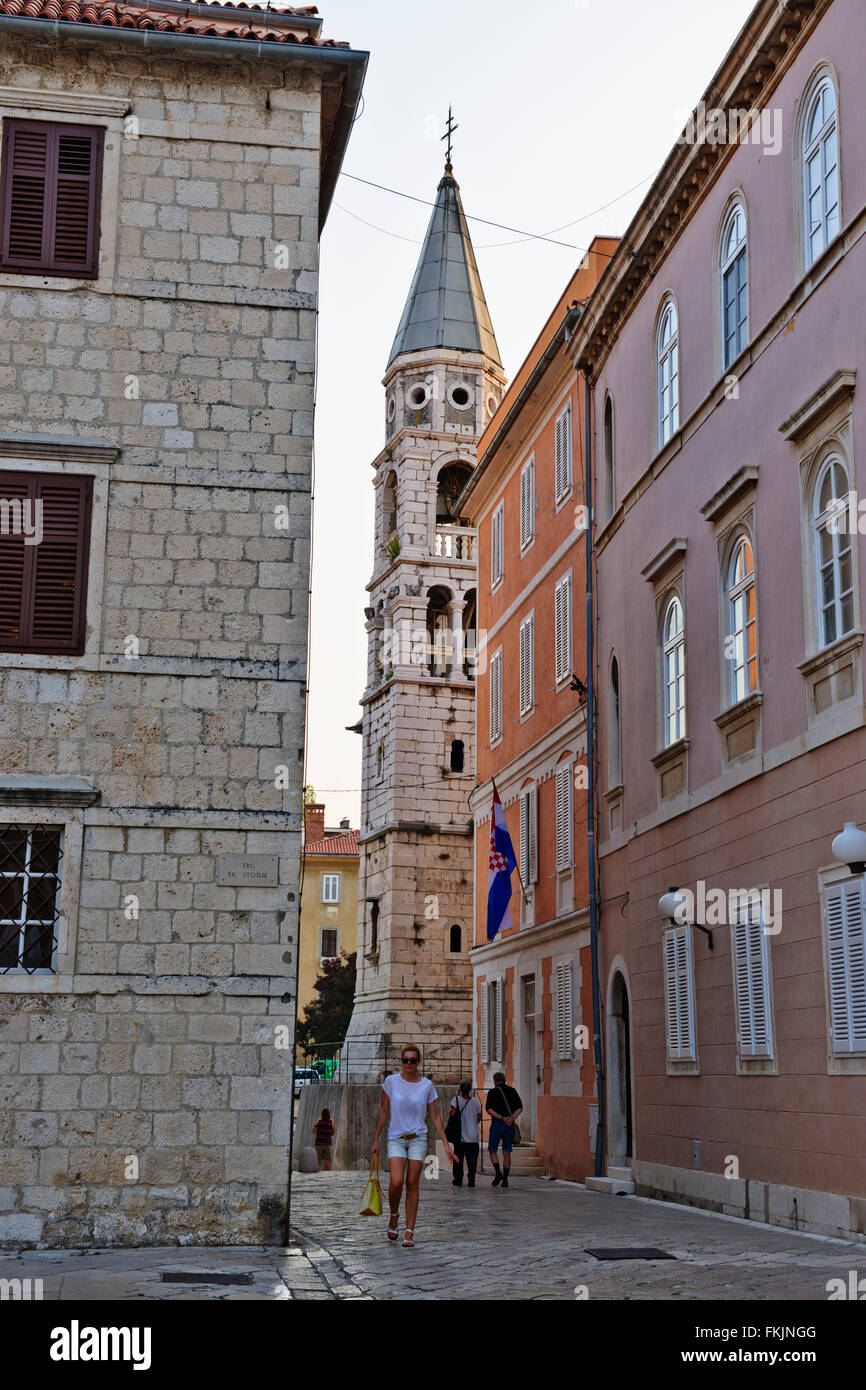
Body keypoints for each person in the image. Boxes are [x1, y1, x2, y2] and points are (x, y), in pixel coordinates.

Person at [371, 1044, 455, 1247]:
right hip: (396, 1139)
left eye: (413, 1060)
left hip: (418, 1138)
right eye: (405, 1060)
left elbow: (434, 1116)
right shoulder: (391, 1082)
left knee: (412, 1183)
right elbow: (384, 1111)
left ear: (418, 1062)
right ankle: (393, 1214)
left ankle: (409, 1231)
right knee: (397, 1180)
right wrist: (375, 1139)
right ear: (402, 1061)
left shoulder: (426, 1085)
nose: (409, 1064)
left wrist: (445, 1143)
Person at [485, 1071, 523, 1188]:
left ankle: (498, 1173)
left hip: (497, 1123)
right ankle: (505, 1179)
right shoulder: (512, 1091)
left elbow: (489, 1110)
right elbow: (520, 1108)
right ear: (505, 1080)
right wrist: (511, 1118)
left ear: (495, 1081)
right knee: (507, 1151)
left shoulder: (492, 1092)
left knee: (492, 1150)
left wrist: (502, 1118)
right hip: (509, 1125)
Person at [448, 1080, 481, 1188]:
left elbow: (452, 1115)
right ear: (470, 1089)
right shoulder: (475, 1102)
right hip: (473, 1136)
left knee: (458, 1159)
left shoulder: (456, 1100)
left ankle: (458, 1179)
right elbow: (478, 1118)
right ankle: (471, 1179)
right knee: (472, 1160)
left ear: (460, 1089)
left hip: (460, 1136)